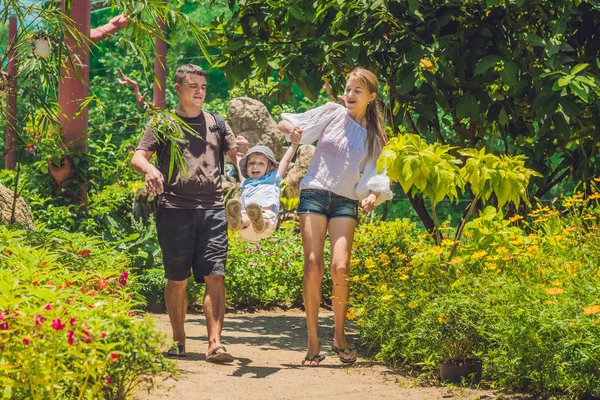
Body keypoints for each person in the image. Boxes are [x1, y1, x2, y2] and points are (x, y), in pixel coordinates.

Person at [131, 64, 248, 363]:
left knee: (215, 275)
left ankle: (215, 344)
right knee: (177, 279)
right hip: (174, 210)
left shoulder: (217, 123)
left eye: (203, 86)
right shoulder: (164, 123)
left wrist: (243, 150)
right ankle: (179, 341)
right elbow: (138, 156)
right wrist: (150, 168)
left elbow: (238, 157)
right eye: (193, 85)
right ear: (178, 88)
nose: (199, 91)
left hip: (213, 210)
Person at [278, 67, 393, 366]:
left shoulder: (374, 137)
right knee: (313, 264)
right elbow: (288, 122)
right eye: (348, 88)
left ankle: (339, 335)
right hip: (314, 192)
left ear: (371, 97)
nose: (350, 95)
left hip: (344, 200)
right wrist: (293, 132)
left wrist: (371, 194)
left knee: (341, 267)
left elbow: (378, 174)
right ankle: (313, 342)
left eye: (357, 90)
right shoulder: (331, 112)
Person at [226, 130, 302, 242]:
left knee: (264, 217)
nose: (255, 166)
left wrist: (294, 144)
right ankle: (237, 222)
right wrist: (239, 153)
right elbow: (239, 161)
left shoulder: (273, 178)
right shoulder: (247, 181)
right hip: (247, 227)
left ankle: (258, 221)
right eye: (251, 163)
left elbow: (286, 160)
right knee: (245, 216)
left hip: (266, 221)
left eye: (261, 163)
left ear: (271, 168)